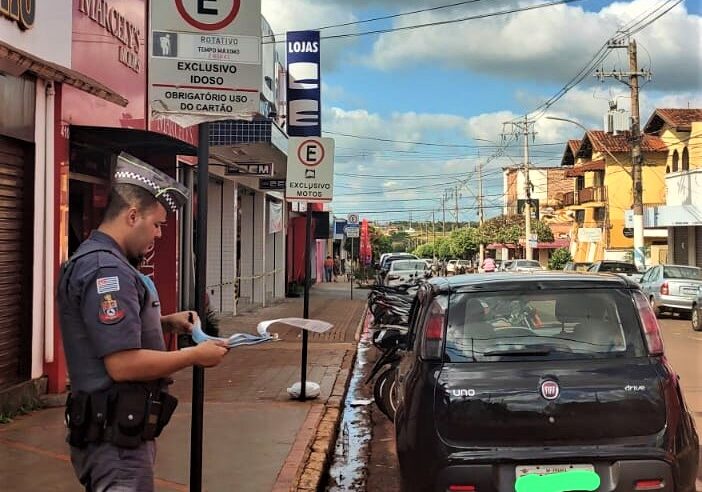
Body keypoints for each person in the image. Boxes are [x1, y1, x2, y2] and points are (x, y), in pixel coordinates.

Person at [57, 152, 229, 492]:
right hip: (115, 443)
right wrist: (196, 355)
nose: (160, 235)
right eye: (157, 224)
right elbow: (123, 364)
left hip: (116, 433)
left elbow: (103, 333)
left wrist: (164, 323)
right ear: (132, 216)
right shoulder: (107, 271)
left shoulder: (98, 261)